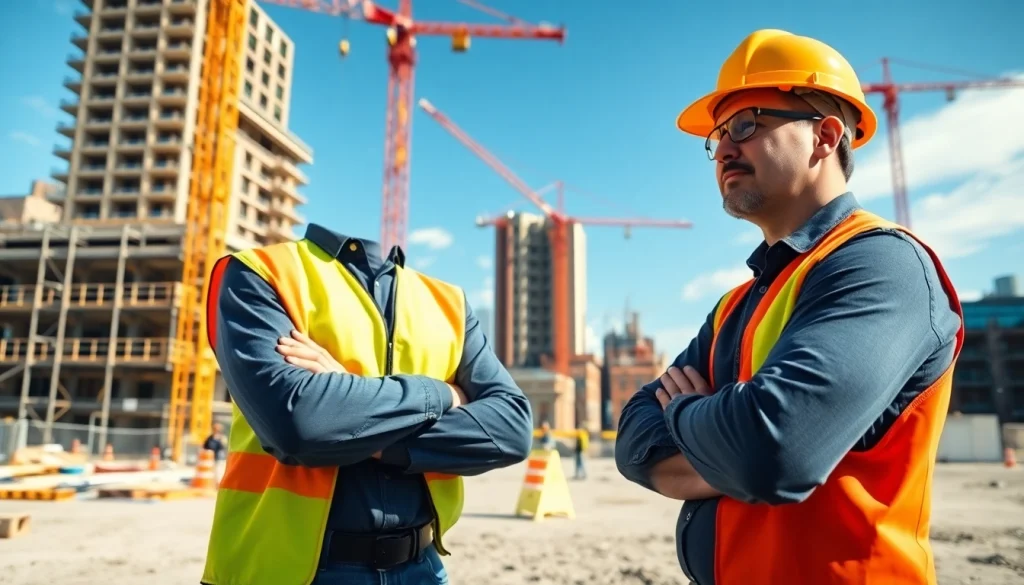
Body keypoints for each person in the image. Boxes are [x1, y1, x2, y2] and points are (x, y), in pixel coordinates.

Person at [614, 29, 964, 585]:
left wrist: (685, 417)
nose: (724, 148)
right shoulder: (737, 303)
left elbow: (770, 453)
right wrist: (728, 442)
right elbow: (633, 441)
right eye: (718, 135)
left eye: (747, 125)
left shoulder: (881, 267)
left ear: (825, 136)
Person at [199, 224, 534, 585]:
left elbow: (512, 430)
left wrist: (346, 404)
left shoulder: (448, 302)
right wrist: (443, 393)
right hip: (281, 570)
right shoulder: (263, 272)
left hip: (424, 568)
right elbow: (300, 426)